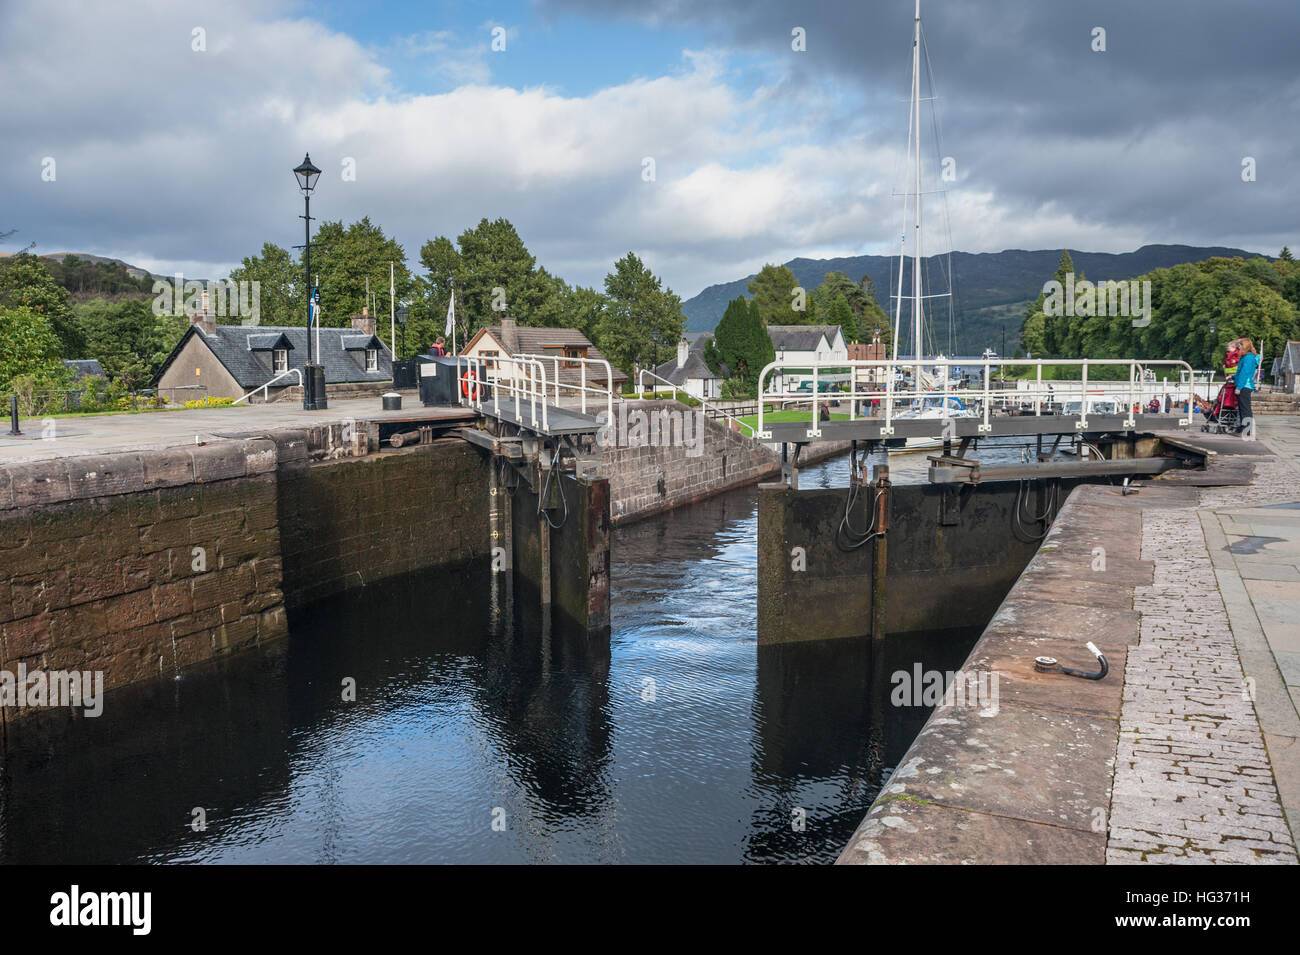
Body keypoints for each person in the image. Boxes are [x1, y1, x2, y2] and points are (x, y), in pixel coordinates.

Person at [1235, 338, 1259, 436]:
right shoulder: (1247, 357)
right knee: (1242, 409)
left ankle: (1247, 431)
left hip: (1245, 386)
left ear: (1244, 346)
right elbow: (1241, 372)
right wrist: (1232, 376)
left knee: (1245, 409)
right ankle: (1244, 429)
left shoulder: (1249, 357)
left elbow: (1245, 373)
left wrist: (1239, 387)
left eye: (1240, 345)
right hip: (1244, 385)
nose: (1238, 347)